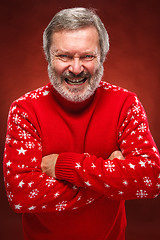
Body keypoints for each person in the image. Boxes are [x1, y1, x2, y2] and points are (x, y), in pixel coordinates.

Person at [3, 7, 160, 240]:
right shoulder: (24, 109)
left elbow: (151, 178)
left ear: (102, 56)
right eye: (64, 56)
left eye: (87, 56)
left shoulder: (125, 103)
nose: (76, 69)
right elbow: (20, 195)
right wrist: (109, 183)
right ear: (48, 57)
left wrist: (63, 165)